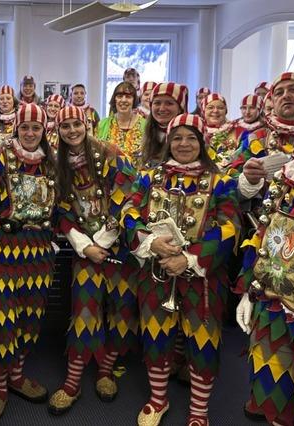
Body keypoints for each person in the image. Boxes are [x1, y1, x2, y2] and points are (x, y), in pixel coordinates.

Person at [123, 113, 241, 426]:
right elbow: (129, 212)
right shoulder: (150, 176)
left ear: (202, 142)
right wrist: (149, 242)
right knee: (156, 337)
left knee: (203, 343)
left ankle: (199, 412)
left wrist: (189, 258)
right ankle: (158, 400)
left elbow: (231, 227)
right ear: (168, 141)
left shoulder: (222, 181)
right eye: (177, 138)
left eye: (191, 138)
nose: (184, 144)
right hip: (156, 273)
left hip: (203, 280)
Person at [0, 103, 57, 424]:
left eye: (36, 128)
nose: (30, 134)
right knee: (1, 319)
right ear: (15, 129)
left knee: (30, 318)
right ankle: (0, 386)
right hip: (3, 250)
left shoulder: (52, 164)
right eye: (24, 128)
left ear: (45, 131)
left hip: (40, 254)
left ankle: (17, 377)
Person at [235, 98, 294, 425]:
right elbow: (265, 234)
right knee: (274, 393)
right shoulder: (286, 175)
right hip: (272, 307)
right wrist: (248, 289)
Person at [48, 105, 138, 414]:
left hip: (118, 247)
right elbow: (60, 210)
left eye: (76, 123)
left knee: (122, 309)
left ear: (87, 124)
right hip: (85, 249)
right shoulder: (58, 162)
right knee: (84, 310)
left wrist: (104, 241)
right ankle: (73, 381)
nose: (72, 130)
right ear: (58, 131)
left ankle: (105, 370)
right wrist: (85, 246)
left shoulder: (111, 152)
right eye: (65, 126)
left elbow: (126, 199)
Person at [232, 72, 294, 198]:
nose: (286, 95)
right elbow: (229, 182)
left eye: (293, 89)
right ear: (273, 101)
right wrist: (248, 180)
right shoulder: (257, 138)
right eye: (279, 93)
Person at [96, 82, 146, 167]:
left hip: (139, 178)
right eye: (119, 96)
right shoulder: (102, 124)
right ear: (114, 99)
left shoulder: (145, 125)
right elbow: (96, 153)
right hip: (108, 178)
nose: (123, 100)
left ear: (134, 100)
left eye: (128, 97)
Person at [141, 82, 188, 168]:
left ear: (180, 108)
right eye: (157, 103)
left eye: (169, 103)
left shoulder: (189, 135)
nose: (162, 108)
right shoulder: (147, 131)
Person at [201, 93, 237, 167]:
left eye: (220, 108)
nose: (215, 111)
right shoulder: (197, 131)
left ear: (226, 111)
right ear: (203, 110)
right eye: (210, 107)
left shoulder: (236, 130)